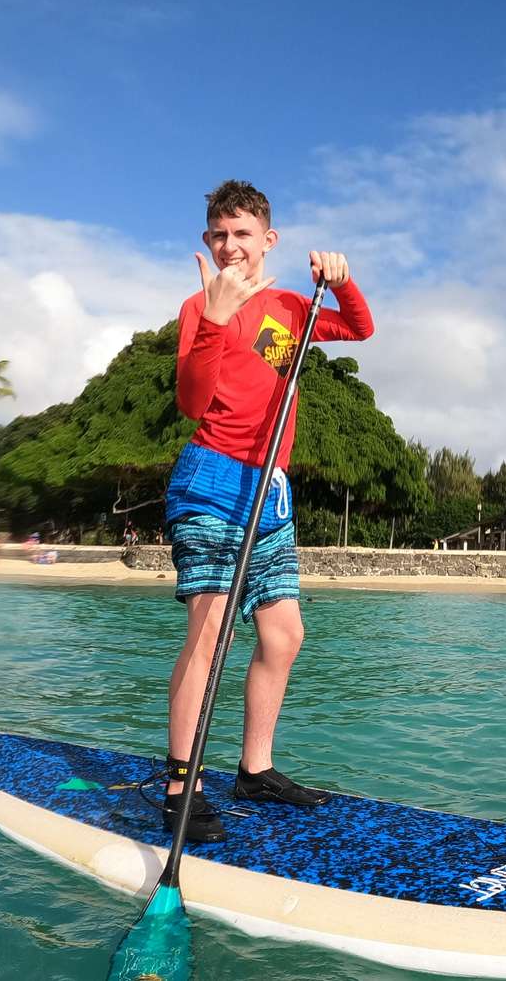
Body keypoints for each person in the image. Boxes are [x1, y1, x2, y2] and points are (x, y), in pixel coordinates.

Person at [157, 180, 373, 842]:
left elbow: (360, 328)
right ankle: (179, 787)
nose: (230, 246)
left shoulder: (289, 306)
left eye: (242, 234)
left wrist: (339, 280)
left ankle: (255, 770)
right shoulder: (201, 307)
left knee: (284, 636)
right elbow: (193, 403)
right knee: (211, 633)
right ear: (206, 241)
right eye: (219, 235)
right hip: (212, 483)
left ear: (267, 240)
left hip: (270, 491)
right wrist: (217, 322)